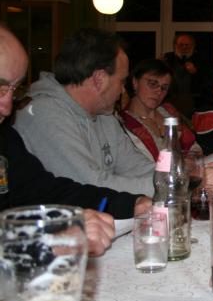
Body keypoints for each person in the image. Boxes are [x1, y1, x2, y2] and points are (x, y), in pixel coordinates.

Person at [0, 24, 150, 256]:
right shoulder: (43, 114)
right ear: (99, 78)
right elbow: (88, 180)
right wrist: (46, 239)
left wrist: (131, 203)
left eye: (14, 89)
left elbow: (45, 191)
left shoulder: (4, 139)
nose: (7, 107)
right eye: (0, 87)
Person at [14, 28, 155, 197]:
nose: (123, 90)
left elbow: (137, 167)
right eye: (122, 81)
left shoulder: (104, 115)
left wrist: (174, 178)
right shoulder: (43, 114)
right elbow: (91, 187)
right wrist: (169, 186)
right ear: (99, 79)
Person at [120, 58, 199, 161]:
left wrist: (191, 158)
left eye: (164, 87)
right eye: (153, 84)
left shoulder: (168, 111)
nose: (159, 91)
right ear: (135, 82)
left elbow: (193, 147)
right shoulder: (123, 124)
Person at [163, 33, 206, 118]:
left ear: (193, 46)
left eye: (187, 45)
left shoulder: (201, 59)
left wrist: (195, 72)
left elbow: (206, 81)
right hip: (170, 100)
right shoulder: (167, 58)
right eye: (181, 45)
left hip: (194, 101)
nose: (184, 47)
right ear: (175, 45)